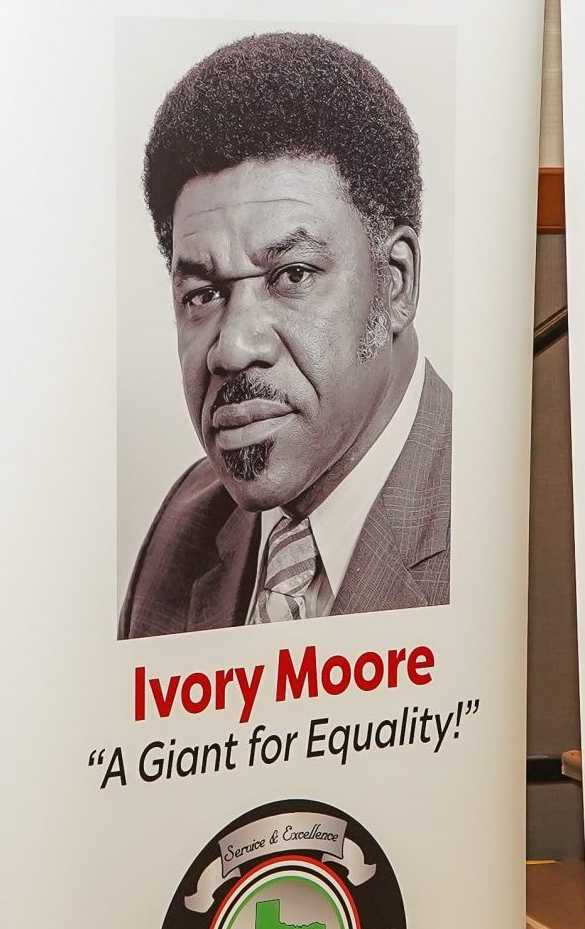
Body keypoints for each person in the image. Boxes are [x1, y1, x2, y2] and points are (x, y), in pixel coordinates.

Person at [120, 32, 450, 639]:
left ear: (395, 284)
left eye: (291, 275)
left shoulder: (504, 518)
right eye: (203, 294)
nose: (233, 347)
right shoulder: (182, 527)